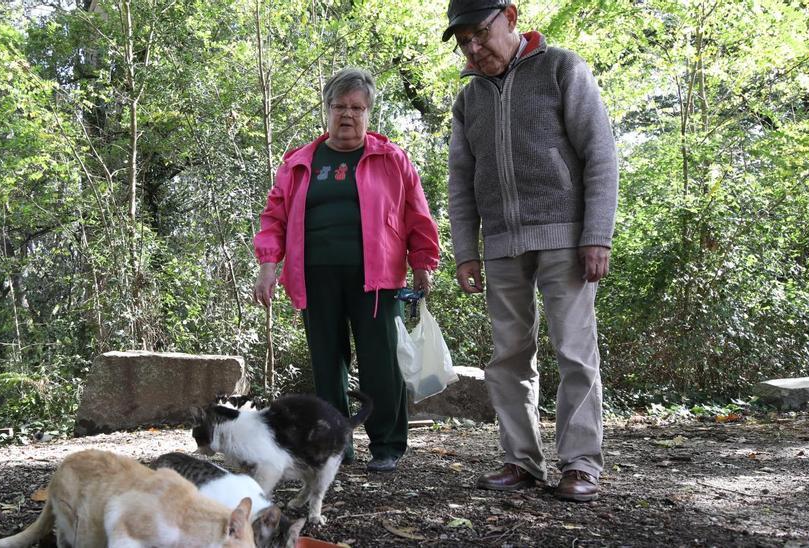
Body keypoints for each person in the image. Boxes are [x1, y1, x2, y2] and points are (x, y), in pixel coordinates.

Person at [443, 0, 619, 501]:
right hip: (500, 245)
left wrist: (596, 235)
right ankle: (520, 461)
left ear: (511, 17)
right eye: (464, 42)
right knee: (508, 357)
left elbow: (600, 154)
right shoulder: (468, 99)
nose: (474, 49)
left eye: (481, 34)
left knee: (575, 352)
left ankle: (581, 464)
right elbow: (461, 181)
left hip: (565, 237)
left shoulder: (563, 69)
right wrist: (466, 251)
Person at [252, 68, 441, 473]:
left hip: (377, 278)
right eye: (340, 106)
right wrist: (268, 266)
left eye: (357, 107)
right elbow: (274, 218)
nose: (348, 115)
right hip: (315, 275)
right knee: (327, 363)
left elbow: (416, 214)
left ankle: (387, 445)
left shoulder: (391, 159)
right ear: (327, 109)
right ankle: (336, 447)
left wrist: (423, 262)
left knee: (381, 363)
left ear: (369, 112)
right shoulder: (300, 162)